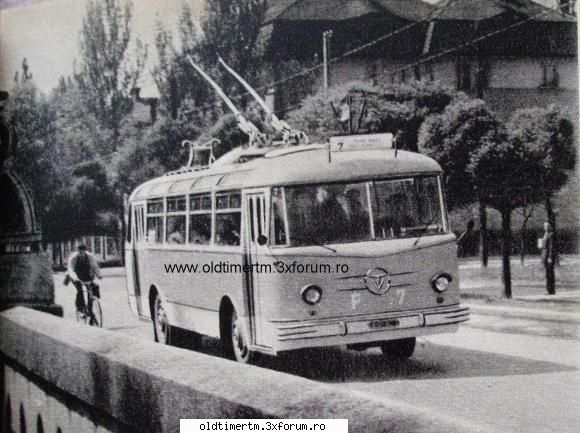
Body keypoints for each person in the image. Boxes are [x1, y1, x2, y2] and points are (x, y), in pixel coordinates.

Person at [67, 244, 102, 314]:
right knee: (80, 290)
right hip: (75, 276)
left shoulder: (90, 256)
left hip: (86, 275)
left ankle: (90, 309)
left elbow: (95, 266)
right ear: (78, 251)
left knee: (91, 290)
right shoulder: (74, 257)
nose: (81, 253)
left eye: (83, 251)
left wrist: (99, 275)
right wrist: (76, 279)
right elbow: (71, 269)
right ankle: (81, 308)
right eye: (80, 252)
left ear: (85, 251)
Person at [539, 221, 555, 295]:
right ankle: (548, 289)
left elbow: (551, 247)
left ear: (550, 226)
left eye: (547, 226)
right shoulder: (545, 234)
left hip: (548, 256)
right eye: (544, 226)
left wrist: (550, 257)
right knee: (547, 273)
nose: (545, 227)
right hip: (544, 255)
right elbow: (544, 246)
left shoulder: (551, 234)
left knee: (550, 273)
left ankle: (551, 290)